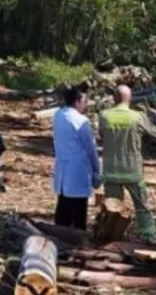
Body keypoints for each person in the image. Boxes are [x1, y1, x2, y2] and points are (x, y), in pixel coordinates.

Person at [98, 85, 156, 245]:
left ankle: (110, 236)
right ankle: (148, 235)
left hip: (111, 169)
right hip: (132, 169)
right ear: (130, 99)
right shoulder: (137, 117)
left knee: (112, 207)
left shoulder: (105, 115)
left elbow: (102, 135)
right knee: (142, 205)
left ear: (114, 98)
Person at [51, 85, 101, 230]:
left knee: (63, 208)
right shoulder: (81, 121)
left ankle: (59, 236)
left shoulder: (58, 115)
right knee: (78, 213)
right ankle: (77, 241)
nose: (86, 104)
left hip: (63, 168)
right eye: (84, 100)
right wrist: (97, 169)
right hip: (78, 171)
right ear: (77, 101)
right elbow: (90, 148)